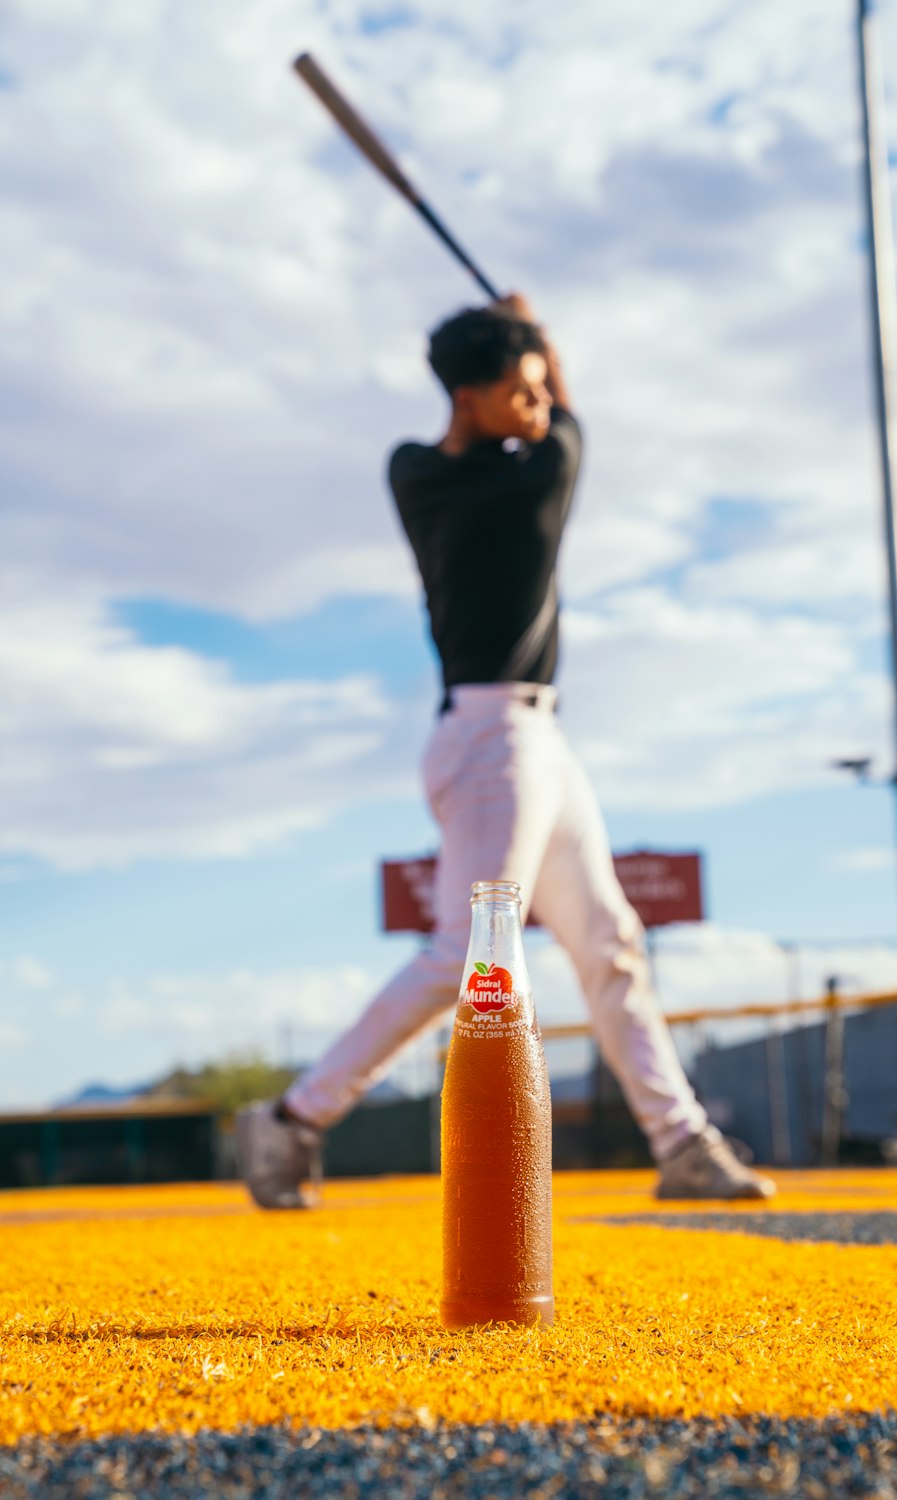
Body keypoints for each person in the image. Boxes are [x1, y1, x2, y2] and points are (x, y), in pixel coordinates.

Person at [236, 295, 775, 1207]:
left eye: (534, 392)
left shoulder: (416, 469)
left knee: (610, 945)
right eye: (515, 392)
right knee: (465, 958)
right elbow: (566, 421)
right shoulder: (515, 474)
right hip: (489, 742)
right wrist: (544, 341)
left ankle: (681, 1143)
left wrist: (516, 341)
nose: (534, 407)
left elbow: (535, 418)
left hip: (534, 742)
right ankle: (293, 1120)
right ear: (468, 396)